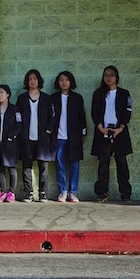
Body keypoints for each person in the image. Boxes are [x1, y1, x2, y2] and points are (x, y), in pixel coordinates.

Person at [91, 65, 133, 203]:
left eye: (111, 75)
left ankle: (125, 193)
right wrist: (101, 128)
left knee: (121, 162)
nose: (108, 78)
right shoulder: (98, 93)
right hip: (102, 131)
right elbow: (94, 113)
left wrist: (120, 128)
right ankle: (101, 192)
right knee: (103, 162)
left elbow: (128, 112)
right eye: (106, 75)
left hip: (119, 131)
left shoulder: (124, 93)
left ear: (116, 77)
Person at [16, 69, 55, 203]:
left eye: (35, 78)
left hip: (42, 138)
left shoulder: (46, 98)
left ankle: (43, 193)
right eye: (30, 79)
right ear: (27, 82)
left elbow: (52, 117)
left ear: (39, 81)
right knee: (27, 166)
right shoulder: (22, 99)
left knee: (43, 166)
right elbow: (18, 117)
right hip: (26, 138)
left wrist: (48, 131)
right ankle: (29, 193)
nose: (32, 81)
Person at [51, 71, 87, 203]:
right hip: (58, 137)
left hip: (74, 137)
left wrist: (83, 133)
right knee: (59, 164)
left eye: (66, 79)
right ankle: (63, 191)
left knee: (74, 165)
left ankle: (73, 192)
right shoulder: (53, 98)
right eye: (61, 80)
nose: (64, 82)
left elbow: (82, 117)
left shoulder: (77, 98)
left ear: (71, 82)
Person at [0, 85, 22, 202]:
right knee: (0, 168)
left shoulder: (15, 109)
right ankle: (2, 191)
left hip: (10, 142)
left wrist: (11, 136)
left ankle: (11, 192)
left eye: (2, 93)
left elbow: (19, 125)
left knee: (11, 168)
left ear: (8, 94)